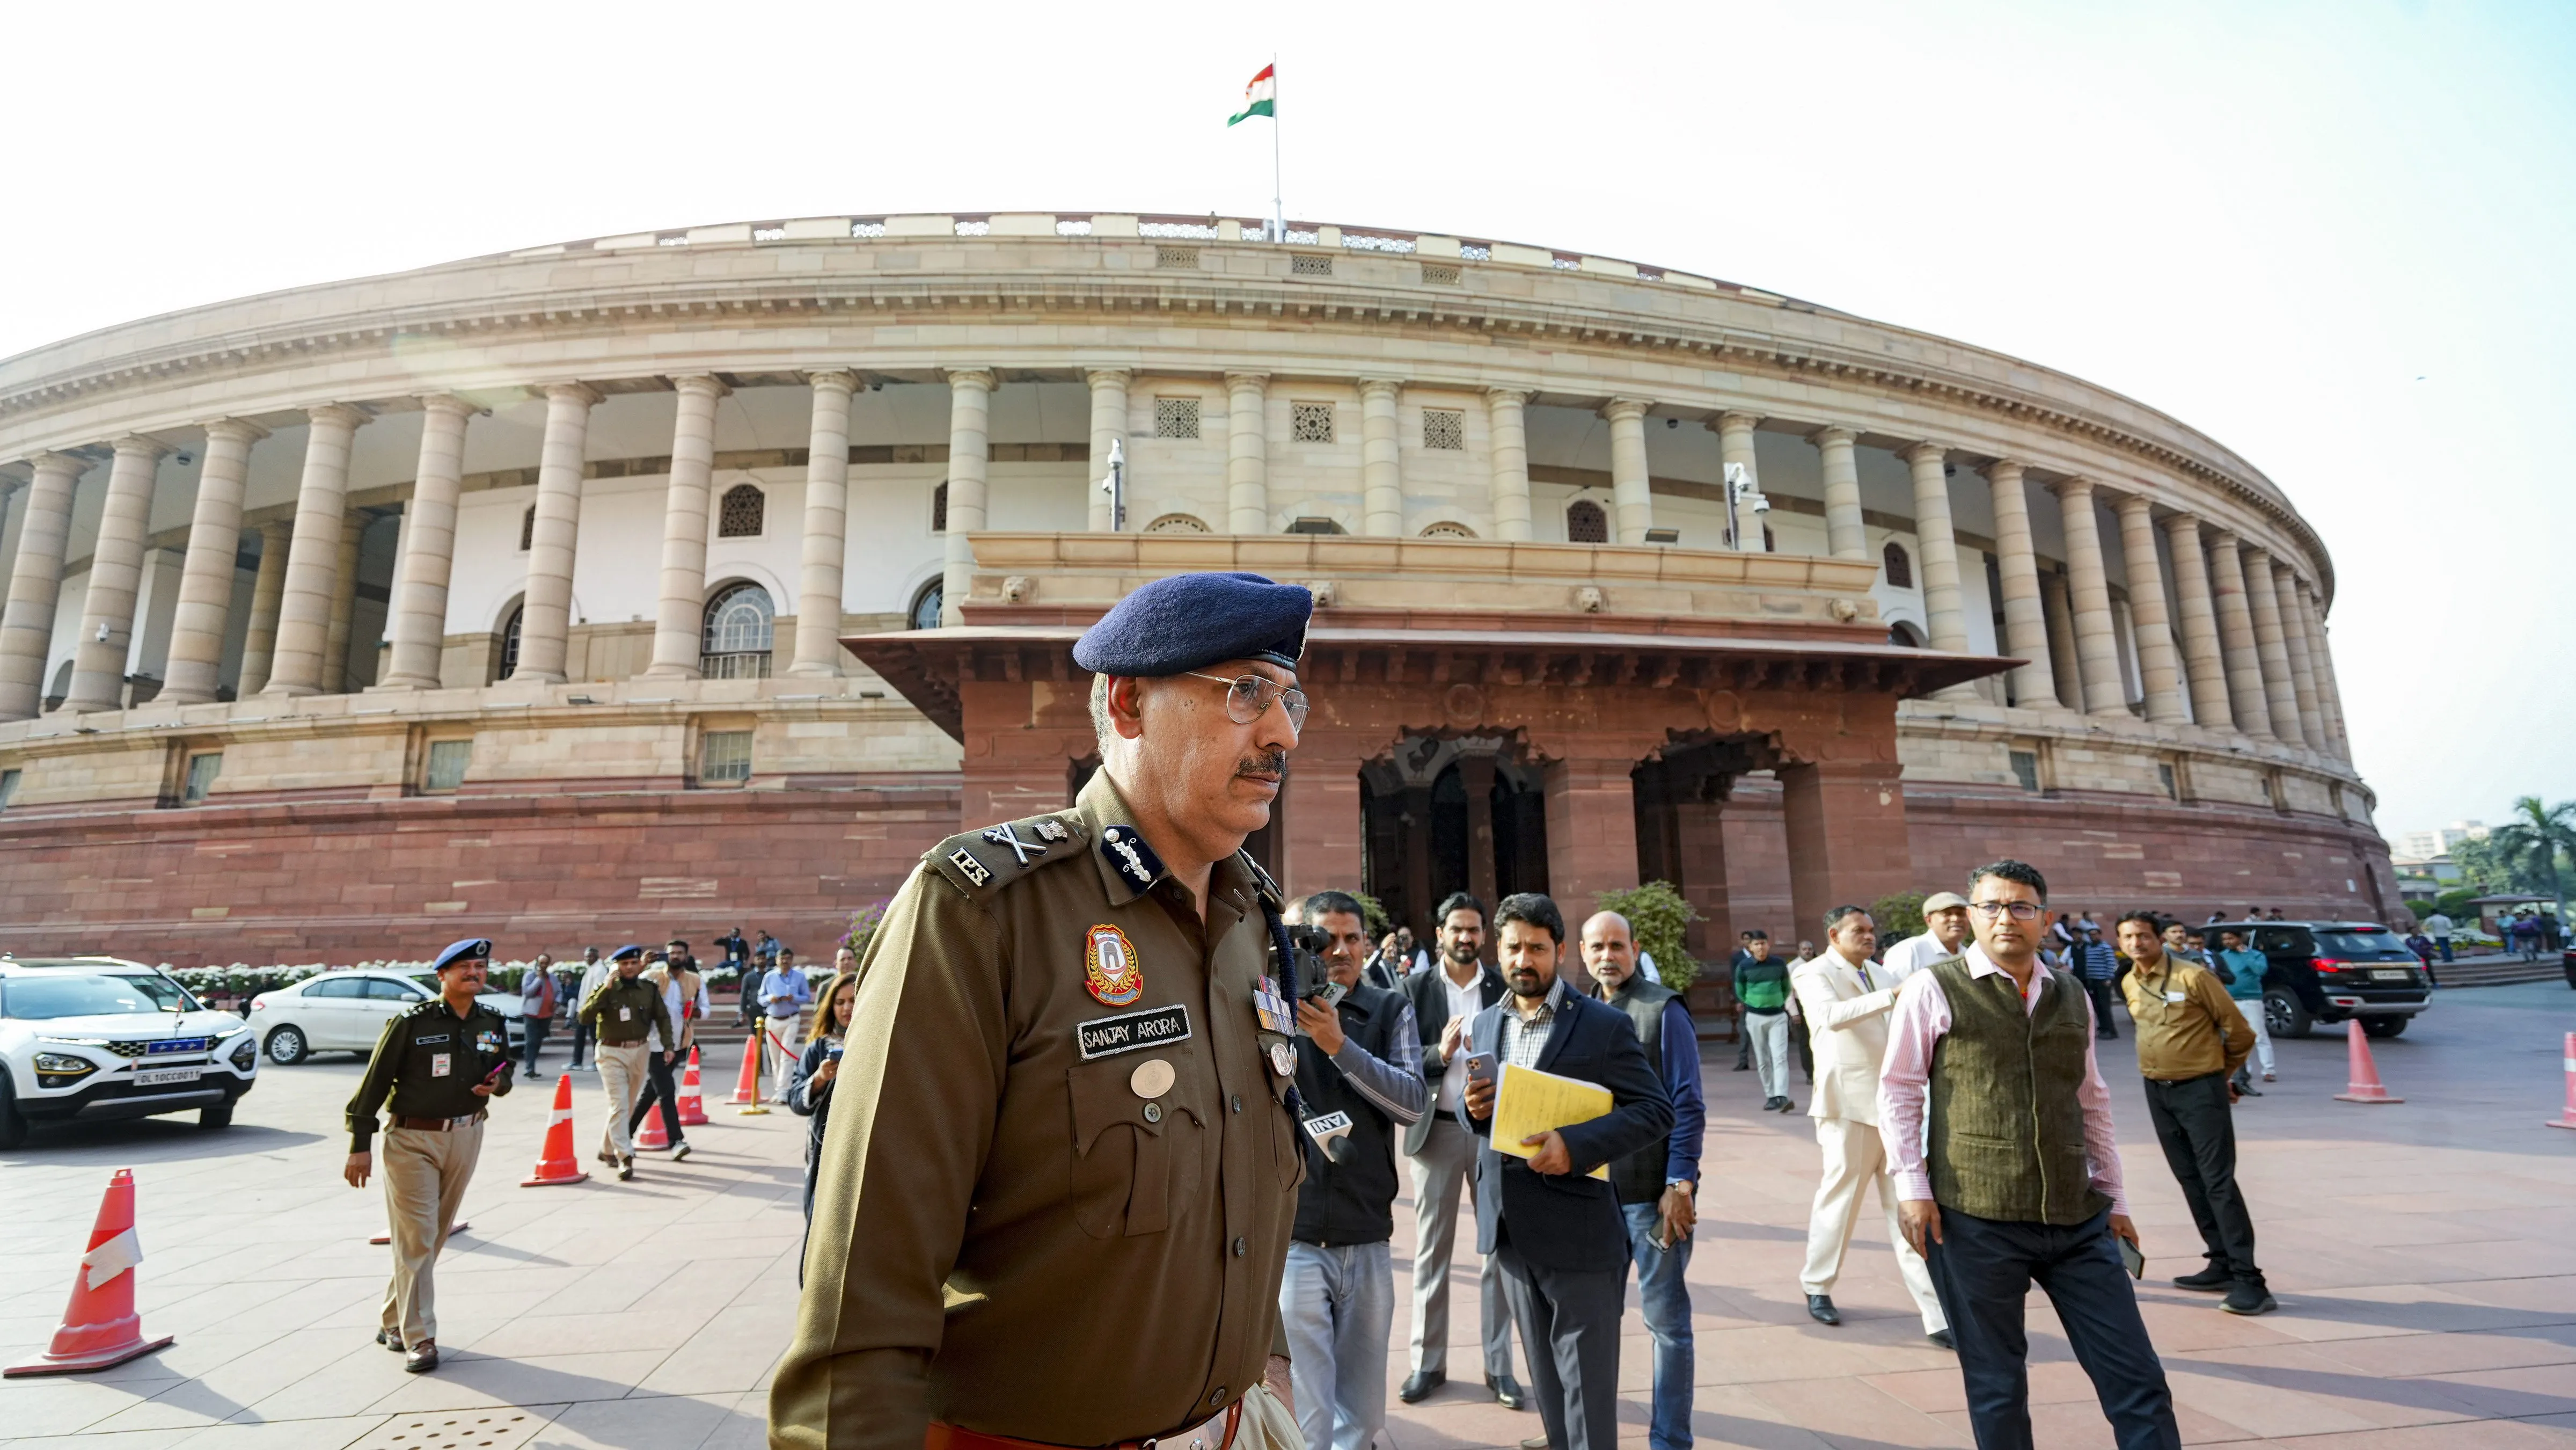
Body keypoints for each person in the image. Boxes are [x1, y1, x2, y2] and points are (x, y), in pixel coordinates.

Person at [771, 570, 1318, 1449]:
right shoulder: (985, 911)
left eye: (1291, 697)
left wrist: (1269, 1359)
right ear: (1130, 702)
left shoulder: (1253, 921)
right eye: (1246, 691)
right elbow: (861, 1308)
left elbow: (1237, 1185)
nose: (1283, 732)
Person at [1882, 861, 2177, 1450]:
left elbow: (2091, 1097)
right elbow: (1899, 1088)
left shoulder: (2071, 993)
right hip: (1975, 1215)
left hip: (2078, 1217)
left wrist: (2114, 1197)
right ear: (1969, 917)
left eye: (2021, 907)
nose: (2005, 918)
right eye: (1990, 906)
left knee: (2137, 1377)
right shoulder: (1934, 986)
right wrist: (1912, 1187)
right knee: (1998, 1384)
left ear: (2044, 920)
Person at [1461, 893, 1672, 1450]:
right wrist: (1471, 1108)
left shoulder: (1604, 1025)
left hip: (1579, 1233)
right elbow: (1473, 1109)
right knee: (1549, 1391)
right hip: (1509, 1229)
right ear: (1497, 950)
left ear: (1559, 950)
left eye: (1536, 948)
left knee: (1588, 1394)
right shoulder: (1485, 1021)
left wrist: (1575, 1146)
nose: (1523, 960)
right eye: (1513, 948)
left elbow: (1656, 1110)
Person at [1280, 890, 1428, 1450]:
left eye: (1351, 938)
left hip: (1367, 1236)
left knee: (1363, 1419)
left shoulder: (1390, 1007)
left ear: (1368, 943)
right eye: (1325, 939)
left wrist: (1339, 1045)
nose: (1339, 951)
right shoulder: (1273, 1006)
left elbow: (1413, 1103)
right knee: (1309, 1416)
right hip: (1296, 1236)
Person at [343, 937, 515, 1374]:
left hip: (466, 1133)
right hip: (412, 1140)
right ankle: (420, 1336)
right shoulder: (410, 1021)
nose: (475, 973)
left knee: (431, 1236)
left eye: (481, 966)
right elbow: (375, 1081)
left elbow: (504, 1067)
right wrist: (360, 1143)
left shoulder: (492, 1020)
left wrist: (499, 1083)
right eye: (465, 968)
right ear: (442, 975)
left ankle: (393, 1319)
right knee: (418, 1236)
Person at [1791, 905, 1949, 1345]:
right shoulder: (1813, 972)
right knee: (1840, 1199)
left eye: (1871, 930)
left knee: (1908, 1206)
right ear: (1833, 933)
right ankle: (1818, 1284)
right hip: (1847, 1106)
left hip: (1895, 1110)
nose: (1869, 936)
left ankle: (1936, 1313)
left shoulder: (1879, 974)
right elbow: (1828, 1016)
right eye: (1858, 930)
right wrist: (1895, 994)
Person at [1580, 909, 1706, 1450]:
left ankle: (1671, 1439)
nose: (1608, 955)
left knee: (1667, 1327)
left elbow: (1688, 1102)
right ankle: (1584, 1428)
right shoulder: (1577, 1012)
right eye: (1597, 947)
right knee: (1591, 1326)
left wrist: (1680, 1183)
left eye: (1617, 945)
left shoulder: (1663, 1009)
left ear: (1634, 949)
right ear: (1581, 952)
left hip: (1653, 1198)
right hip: (1591, 1198)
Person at [1396, 890, 1523, 1410]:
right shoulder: (1415, 986)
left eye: (1475, 930)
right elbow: (1398, 1058)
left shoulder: (1503, 985)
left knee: (1497, 1250)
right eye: (1458, 929)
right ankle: (1428, 1362)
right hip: (1439, 1129)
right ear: (1441, 933)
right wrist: (1438, 1053)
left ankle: (1500, 1367)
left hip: (1493, 1133)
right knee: (1433, 1249)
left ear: (1484, 936)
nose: (1467, 938)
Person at [2117, 912, 2271, 1317]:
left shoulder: (2194, 977)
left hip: (2201, 1088)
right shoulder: (2130, 981)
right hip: (2157, 1089)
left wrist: (2220, 1075)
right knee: (2189, 1178)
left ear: (2158, 938)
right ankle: (2219, 1261)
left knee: (2217, 1181)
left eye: (2144, 936)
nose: (2137, 943)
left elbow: (2240, 1032)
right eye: (2129, 936)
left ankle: (2250, 1281)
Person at [580, 944, 674, 1181]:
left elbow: (662, 1017)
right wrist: (606, 988)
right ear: (616, 967)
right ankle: (625, 1156)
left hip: (640, 1050)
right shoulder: (607, 988)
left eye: (633, 963)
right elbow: (584, 1017)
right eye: (624, 964)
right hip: (611, 1051)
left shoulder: (648, 989)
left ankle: (607, 1149)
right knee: (620, 1104)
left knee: (627, 1105)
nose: (629, 968)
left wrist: (669, 1046)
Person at [787, 966, 859, 1227]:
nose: (847, 1008)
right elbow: (796, 1100)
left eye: (853, 1000)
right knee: (822, 1220)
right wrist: (818, 1079)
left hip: (867, 1146)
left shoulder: (882, 1043)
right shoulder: (819, 1047)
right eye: (840, 1002)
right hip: (825, 1147)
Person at [627, 941, 708, 1162]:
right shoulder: (652, 977)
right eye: (672, 953)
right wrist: (642, 965)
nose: (675, 956)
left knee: (649, 1094)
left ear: (686, 956)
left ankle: (623, 1137)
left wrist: (697, 1011)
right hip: (653, 1044)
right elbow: (631, 987)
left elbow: (707, 1010)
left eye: (680, 953)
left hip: (679, 1044)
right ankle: (676, 1141)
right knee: (666, 1091)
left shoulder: (695, 980)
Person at [1735, 929, 1795, 1111]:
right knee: (1762, 1058)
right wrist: (1755, 1003)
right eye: (1756, 944)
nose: (1760, 947)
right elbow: (1740, 991)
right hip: (1755, 1017)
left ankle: (1782, 1096)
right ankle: (1771, 1096)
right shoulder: (1744, 966)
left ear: (1768, 944)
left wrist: (1776, 1002)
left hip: (1778, 1016)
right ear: (1750, 947)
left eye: (1763, 943)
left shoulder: (1779, 964)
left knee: (1780, 1057)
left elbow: (1786, 988)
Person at [758, 944, 812, 1101]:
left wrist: (793, 998)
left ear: (792, 960)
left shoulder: (799, 977)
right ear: (776, 960)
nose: (785, 961)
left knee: (786, 1055)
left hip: (791, 1018)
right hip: (773, 1020)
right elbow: (761, 998)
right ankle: (779, 1089)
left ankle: (784, 1091)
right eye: (782, 959)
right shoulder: (769, 977)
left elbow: (807, 997)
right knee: (775, 1058)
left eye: (788, 959)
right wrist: (771, 999)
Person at [1883, 892, 1971, 977]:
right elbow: (1892, 990)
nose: (1956, 919)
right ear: (1929, 920)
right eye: (1947, 914)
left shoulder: (1969, 955)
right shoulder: (1908, 951)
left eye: (1961, 914)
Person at [518, 951, 560, 1078]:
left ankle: (532, 1063)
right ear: (537, 963)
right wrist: (539, 979)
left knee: (538, 1041)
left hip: (547, 1014)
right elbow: (528, 992)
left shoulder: (553, 977)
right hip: (531, 1014)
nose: (543, 965)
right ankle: (529, 1068)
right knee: (531, 1041)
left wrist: (557, 1002)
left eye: (546, 963)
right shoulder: (530, 976)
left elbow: (559, 991)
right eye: (541, 963)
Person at [2079, 924, 2121, 1040]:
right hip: (2093, 981)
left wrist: (2109, 979)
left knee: (2105, 1007)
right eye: (2091, 935)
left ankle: (2111, 1031)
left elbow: (2111, 964)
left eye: (2095, 934)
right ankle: (2103, 1028)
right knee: (2097, 1007)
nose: (2093, 937)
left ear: (2099, 935)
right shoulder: (2089, 948)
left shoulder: (2105, 947)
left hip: (2103, 981)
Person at [569, 945, 606, 1071]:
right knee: (580, 1035)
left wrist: (591, 1008)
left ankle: (597, 1062)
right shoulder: (591, 969)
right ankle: (576, 1062)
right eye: (586, 956)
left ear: (596, 956)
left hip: (592, 1010)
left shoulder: (600, 970)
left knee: (595, 1037)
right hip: (583, 1008)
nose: (588, 959)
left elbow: (597, 991)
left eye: (590, 956)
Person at [1729, 932, 1760, 1072]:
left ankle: (1764, 1061)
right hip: (1745, 998)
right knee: (1744, 1031)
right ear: (1742, 941)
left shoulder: (1760, 955)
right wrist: (1738, 1000)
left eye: (1751, 940)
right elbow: (1735, 979)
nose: (1748, 942)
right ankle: (1743, 1061)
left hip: (1759, 997)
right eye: (1746, 939)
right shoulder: (1737, 958)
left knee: (1761, 1030)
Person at [735, 948, 766, 1030]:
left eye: (763, 958)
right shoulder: (749, 976)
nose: (761, 961)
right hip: (754, 1008)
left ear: (766, 959)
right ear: (755, 961)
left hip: (768, 1009)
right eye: (758, 959)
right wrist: (742, 1011)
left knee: (770, 1036)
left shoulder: (771, 975)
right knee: (755, 1035)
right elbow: (744, 994)